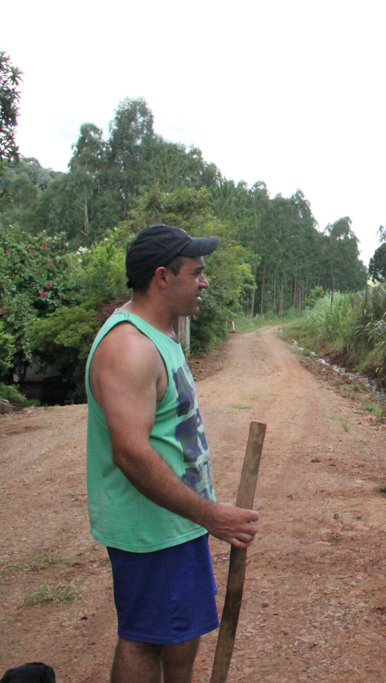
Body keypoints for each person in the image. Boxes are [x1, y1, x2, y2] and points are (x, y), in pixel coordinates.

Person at [86, 223, 259, 683]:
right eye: (196, 272)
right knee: (146, 640)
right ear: (163, 276)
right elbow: (131, 454)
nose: (205, 282)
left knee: (179, 637)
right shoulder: (128, 348)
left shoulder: (160, 336)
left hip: (173, 523)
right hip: (152, 529)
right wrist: (210, 514)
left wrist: (198, 517)